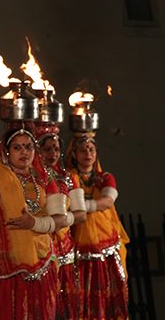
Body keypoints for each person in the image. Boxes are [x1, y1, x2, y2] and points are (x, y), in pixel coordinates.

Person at [0, 128, 67, 319]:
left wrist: (34, 223)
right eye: (17, 147)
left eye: (28, 147)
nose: (24, 152)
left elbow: (61, 219)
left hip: (43, 261)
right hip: (7, 263)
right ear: (6, 152)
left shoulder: (45, 178)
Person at [64, 134, 130, 319]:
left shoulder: (105, 177)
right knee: (82, 301)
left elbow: (107, 201)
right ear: (74, 154)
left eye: (91, 149)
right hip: (79, 250)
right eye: (83, 150)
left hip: (106, 250)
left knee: (109, 300)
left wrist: (79, 206)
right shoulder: (69, 179)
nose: (88, 153)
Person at [37, 127, 86, 320]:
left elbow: (81, 214)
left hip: (65, 250)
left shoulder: (68, 178)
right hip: (42, 250)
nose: (52, 154)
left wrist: (63, 220)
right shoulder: (33, 178)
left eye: (56, 149)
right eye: (47, 149)